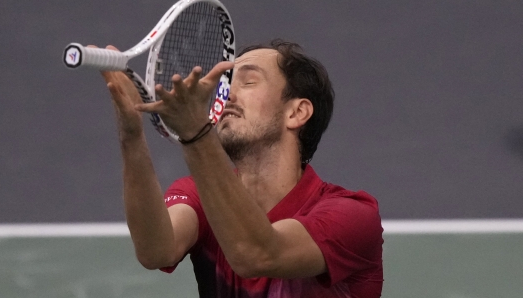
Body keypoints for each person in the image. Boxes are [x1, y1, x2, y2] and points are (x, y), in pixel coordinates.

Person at [100, 39, 383, 297]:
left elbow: (258, 254)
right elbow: (156, 251)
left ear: (297, 112)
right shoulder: (198, 195)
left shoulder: (353, 216)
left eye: (247, 82)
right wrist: (131, 134)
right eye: (227, 85)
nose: (226, 97)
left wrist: (194, 134)